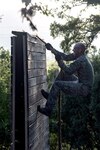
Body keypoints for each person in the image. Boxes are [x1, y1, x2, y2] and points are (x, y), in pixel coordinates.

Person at [37, 42, 94, 117]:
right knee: (63, 73)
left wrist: (59, 61)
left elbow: (69, 71)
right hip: (81, 83)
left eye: (74, 48)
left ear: (79, 50)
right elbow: (66, 57)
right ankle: (50, 96)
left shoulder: (81, 60)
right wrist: (52, 49)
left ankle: (48, 110)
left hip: (83, 88)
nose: (73, 50)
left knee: (57, 84)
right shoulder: (80, 56)